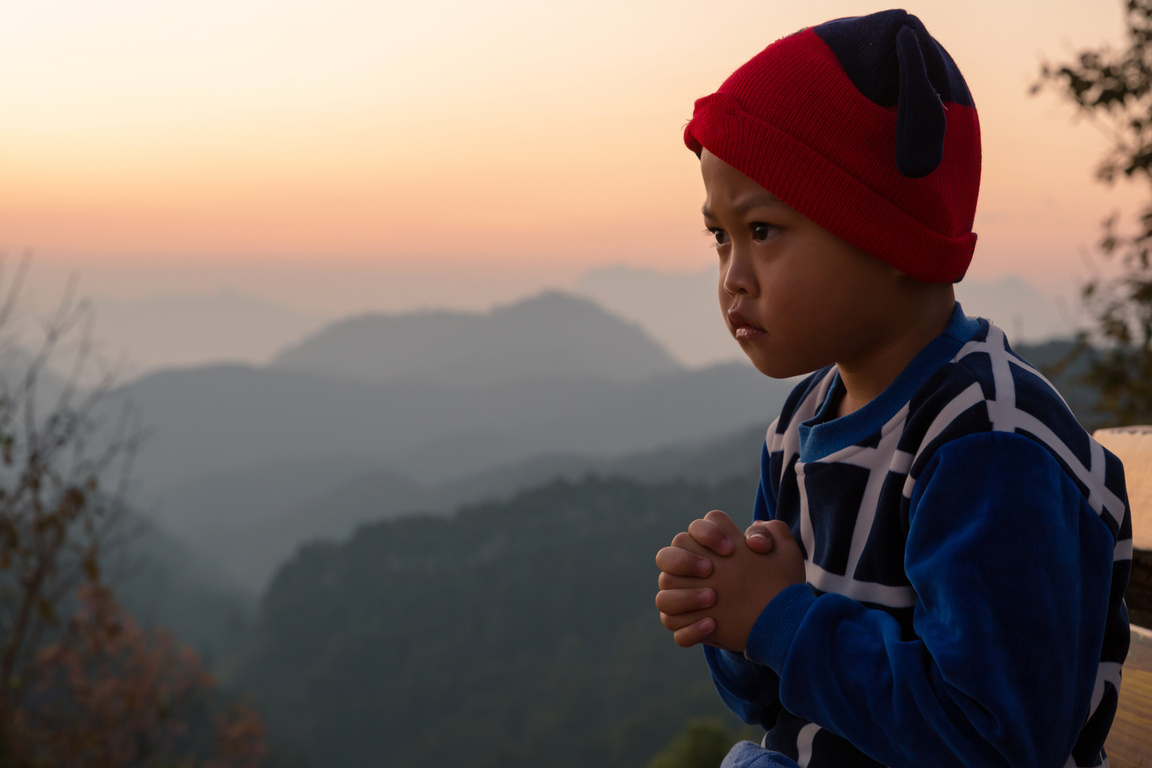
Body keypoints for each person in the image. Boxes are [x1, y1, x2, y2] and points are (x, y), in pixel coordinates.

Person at [653, 9, 1131, 768]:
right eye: (720, 236)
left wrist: (779, 616)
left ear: (890, 234)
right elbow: (775, 697)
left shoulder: (989, 443)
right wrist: (730, 613)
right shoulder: (803, 421)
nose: (732, 278)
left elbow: (995, 740)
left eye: (763, 231)